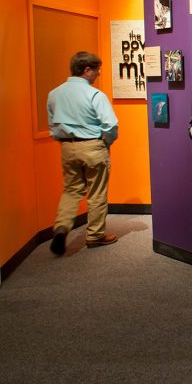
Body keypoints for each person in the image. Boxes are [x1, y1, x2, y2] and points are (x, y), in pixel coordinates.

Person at [47, 52, 119, 256]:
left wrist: (64, 141)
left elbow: (53, 125)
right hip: (93, 147)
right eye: (97, 70)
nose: (98, 73)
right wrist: (105, 142)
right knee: (97, 192)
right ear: (87, 70)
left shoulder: (54, 94)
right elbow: (111, 125)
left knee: (71, 190)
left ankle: (62, 227)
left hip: (67, 148)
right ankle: (95, 235)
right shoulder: (95, 95)